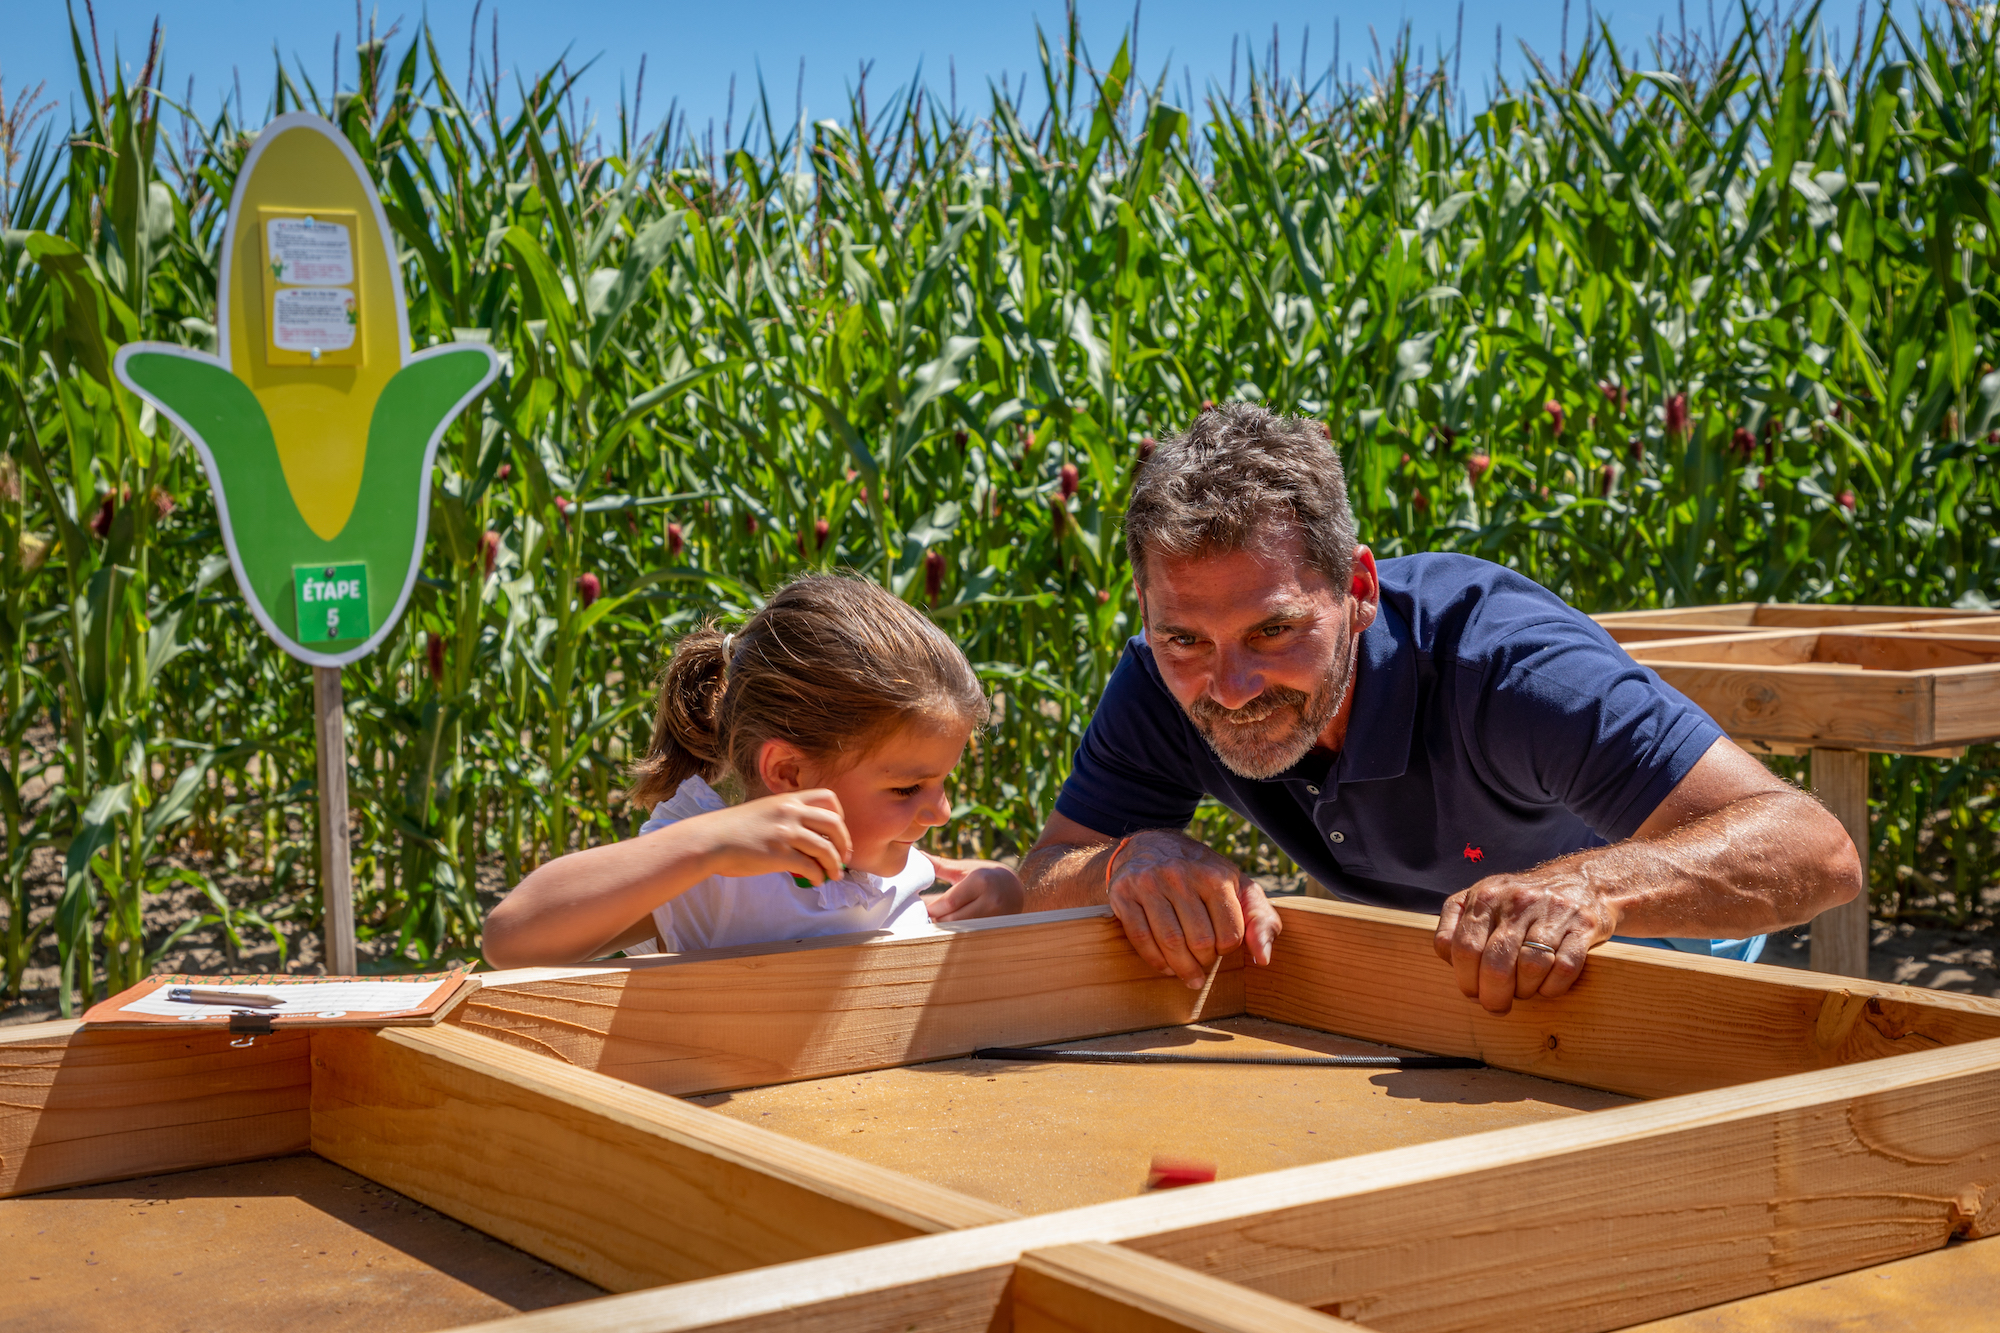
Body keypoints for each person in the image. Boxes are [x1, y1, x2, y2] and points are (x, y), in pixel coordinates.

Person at [1019, 403, 1862, 1014]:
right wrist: (1123, 858)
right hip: (1447, 956)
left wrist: (1589, 889)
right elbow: (1045, 870)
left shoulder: (1505, 669)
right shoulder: (1158, 680)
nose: (1230, 685)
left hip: (1654, 931)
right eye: (1184, 640)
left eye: (1273, 630)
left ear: (1357, 588)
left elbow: (1816, 851)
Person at [482, 575, 1022, 967]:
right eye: (907, 788)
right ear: (787, 773)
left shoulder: (879, 854)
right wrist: (706, 844)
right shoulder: (711, 879)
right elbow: (511, 938)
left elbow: (925, 896)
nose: (941, 811)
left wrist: (1000, 895)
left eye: (941, 782)